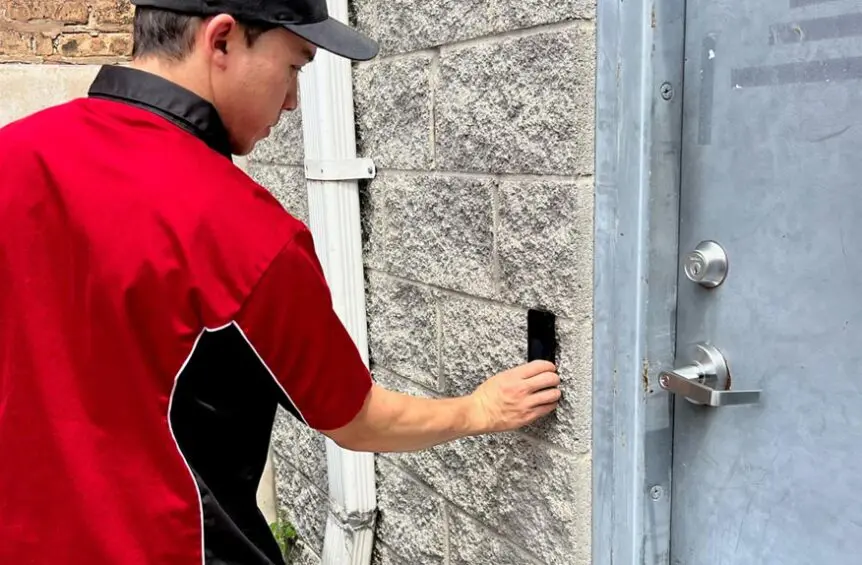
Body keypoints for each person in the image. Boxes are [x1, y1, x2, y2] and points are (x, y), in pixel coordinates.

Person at [0, 0, 562, 563]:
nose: (293, 100)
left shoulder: (12, 154)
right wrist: (481, 410)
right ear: (221, 41)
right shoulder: (243, 231)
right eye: (295, 66)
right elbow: (355, 418)